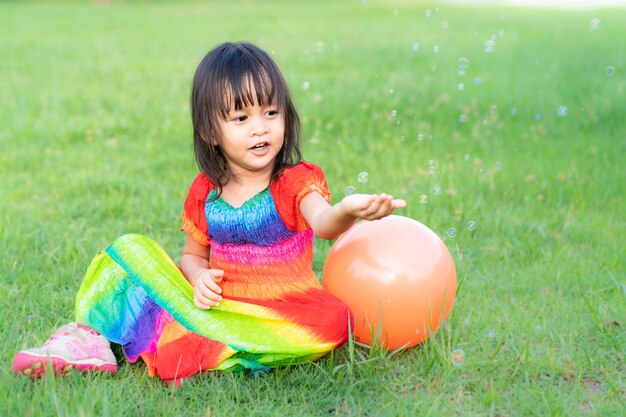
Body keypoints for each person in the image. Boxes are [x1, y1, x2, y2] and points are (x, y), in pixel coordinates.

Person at [12, 41, 406, 384]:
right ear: (209, 131)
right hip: (216, 309)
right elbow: (191, 256)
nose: (260, 129)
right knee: (129, 249)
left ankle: (212, 349)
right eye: (241, 118)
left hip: (279, 315)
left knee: (335, 320)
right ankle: (88, 341)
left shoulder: (294, 181)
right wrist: (199, 278)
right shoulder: (206, 192)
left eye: (271, 113)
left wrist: (346, 211)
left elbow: (323, 223)